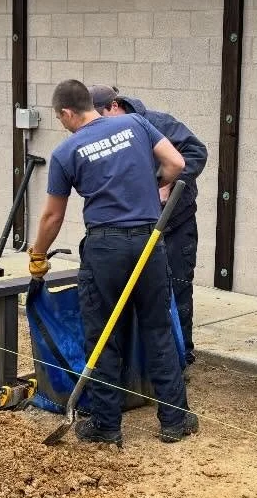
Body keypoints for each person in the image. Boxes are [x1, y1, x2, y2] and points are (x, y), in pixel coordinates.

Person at [27, 79, 198, 447]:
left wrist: (38, 254)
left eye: (61, 119)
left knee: (103, 334)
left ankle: (106, 424)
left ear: (68, 113)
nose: (63, 125)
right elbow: (176, 163)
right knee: (158, 329)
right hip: (149, 242)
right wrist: (153, 188)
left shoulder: (66, 151)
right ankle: (174, 420)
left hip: (105, 249)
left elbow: (52, 218)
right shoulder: (135, 124)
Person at [88, 85, 207, 369]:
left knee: (177, 288)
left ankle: (182, 358)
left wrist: (167, 183)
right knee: (140, 294)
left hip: (176, 224)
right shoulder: (108, 134)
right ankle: (142, 360)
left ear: (115, 106)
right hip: (137, 229)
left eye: (102, 116)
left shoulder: (158, 123)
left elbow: (196, 151)